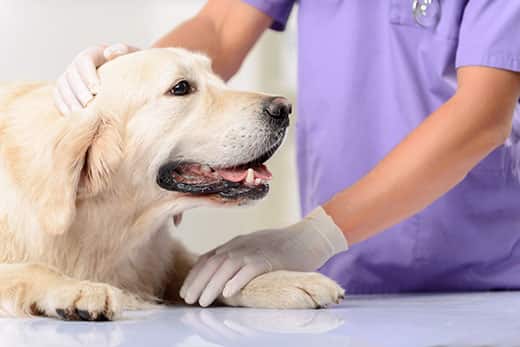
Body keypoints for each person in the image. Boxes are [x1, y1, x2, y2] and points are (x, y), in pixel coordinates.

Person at [55, 0, 520, 307]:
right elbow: (221, 24)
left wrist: (315, 235)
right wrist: (135, 79)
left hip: (482, 283)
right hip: (339, 278)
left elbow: (480, 115)